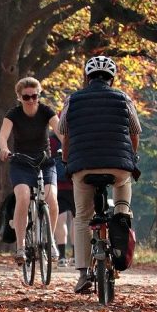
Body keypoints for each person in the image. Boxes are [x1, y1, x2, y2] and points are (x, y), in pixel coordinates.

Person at [57, 55, 141, 294]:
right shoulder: (124, 98)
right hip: (118, 166)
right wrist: (131, 157)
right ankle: (121, 217)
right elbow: (135, 132)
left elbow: (64, 133)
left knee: (82, 216)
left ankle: (83, 274)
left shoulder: (72, 100)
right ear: (112, 78)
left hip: (83, 166)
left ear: (87, 77)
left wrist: (66, 160)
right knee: (123, 190)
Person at [0, 77, 59, 266]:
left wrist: (67, 146)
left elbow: (60, 130)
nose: (31, 100)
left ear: (39, 95)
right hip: (21, 162)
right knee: (23, 196)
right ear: (19, 97)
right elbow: (3, 136)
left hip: (44, 162)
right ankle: (21, 246)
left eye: (35, 96)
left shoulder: (46, 111)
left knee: (52, 198)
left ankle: (50, 240)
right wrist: (4, 149)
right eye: (26, 97)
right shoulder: (13, 114)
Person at [50, 132, 74, 266]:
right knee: (77, 221)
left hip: (58, 185)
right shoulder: (76, 135)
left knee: (61, 221)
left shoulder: (52, 139)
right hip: (76, 183)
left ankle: (62, 257)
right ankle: (77, 256)